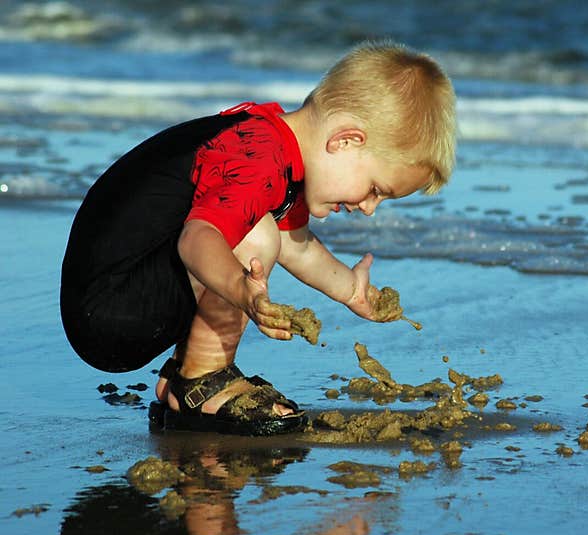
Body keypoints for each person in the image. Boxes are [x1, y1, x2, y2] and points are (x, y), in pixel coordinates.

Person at [60, 40, 457, 436]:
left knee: (262, 230)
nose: (370, 207)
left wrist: (350, 289)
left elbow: (295, 243)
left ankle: (184, 376)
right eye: (375, 189)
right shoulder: (260, 159)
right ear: (345, 141)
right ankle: (202, 380)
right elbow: (197, 239)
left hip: (118, 298)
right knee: (255, 233)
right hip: (111, 308)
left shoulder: (270, 144)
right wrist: (240, 289)